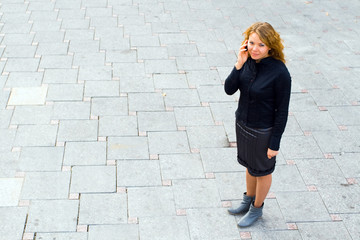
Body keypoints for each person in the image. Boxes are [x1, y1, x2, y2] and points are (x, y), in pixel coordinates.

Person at [224, 22, 291, 227]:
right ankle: (247, 200)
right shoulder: (248, 61)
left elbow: (282, 111)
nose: (255, 48)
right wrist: (238, 63)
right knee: (249, 165)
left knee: (262, 171)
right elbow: (229, 89)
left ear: (270, 46)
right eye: (251, 43)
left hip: (263, 130)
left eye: (261, 45)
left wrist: (274, 143)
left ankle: (257, 209)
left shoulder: (280, 73)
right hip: (243, 123)